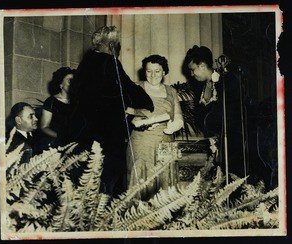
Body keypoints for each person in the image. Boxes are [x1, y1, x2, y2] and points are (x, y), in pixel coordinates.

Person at [68, 26, 154, 198]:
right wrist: (147, 103)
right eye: (116, 45)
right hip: (106, 132)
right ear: (110, 45)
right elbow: (127, 87)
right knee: (109, 178)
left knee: (86, 181)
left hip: (82, 132)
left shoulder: (85, 63)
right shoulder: (109, 61)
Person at [126, 54, 184, 200]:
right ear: (144, 72)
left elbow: (178, 116)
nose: (153, 75)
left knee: (165, 185)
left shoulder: (171, 91)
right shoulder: (135, 87)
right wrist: (136, 119)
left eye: (157, 71)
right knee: (139, 183)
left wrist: (175, 125)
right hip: (141, 143)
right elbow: (125, 110)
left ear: (164, 72)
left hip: (165, 143)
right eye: (149, 71)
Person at [184, 45, 245, 178]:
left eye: (192, 70)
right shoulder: (199, 88)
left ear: (202, 66)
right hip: (210, 145)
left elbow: (233, 113)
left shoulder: (227, 80)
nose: (191, 74)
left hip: (230, 144)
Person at [38, 67, 76, 152]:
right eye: (69, 80)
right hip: (55, 144)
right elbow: (44, 127)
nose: (72, 83)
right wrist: (60, 137)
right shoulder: (51, 101)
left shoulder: (76, 103)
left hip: (73, 145)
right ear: (60, 84)